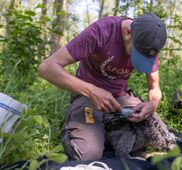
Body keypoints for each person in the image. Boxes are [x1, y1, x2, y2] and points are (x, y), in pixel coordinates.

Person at [38, 12, 169, 160]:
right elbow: (46, 68)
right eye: (136, 53)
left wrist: (152, 104)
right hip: (87, 95)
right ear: (128, 32)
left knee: (161, 138)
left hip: (120, 99)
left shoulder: (149, 43)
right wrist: (92, 91)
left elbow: (154, 88)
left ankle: (108, 130)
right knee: (88, 155)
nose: (139, 59)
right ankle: (81, 128)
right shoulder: (102, 31)